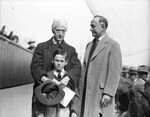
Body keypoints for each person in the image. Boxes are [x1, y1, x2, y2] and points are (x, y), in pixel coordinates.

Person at [30, 19, 81, 117]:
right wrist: (46, 80)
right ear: (53, 30)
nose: (60, 34)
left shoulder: (71, 50)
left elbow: (77, 68)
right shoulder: (41, 47)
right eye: (58, 30)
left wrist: (67, 78)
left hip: (63, 97)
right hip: (44, 93)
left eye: (63, 31)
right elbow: (35, 67)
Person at [79, 15, 122, 117]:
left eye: (93, 26)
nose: (90, 29)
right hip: (85, 92)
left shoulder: (113, 45)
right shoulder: (89, 45)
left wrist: (108, 93)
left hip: (100, 94)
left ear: (103, 26)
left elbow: (115, 72)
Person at [34, 49, 80, 117]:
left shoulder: (70, 78)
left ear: (66, 62)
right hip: (49, 110)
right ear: (52, 60)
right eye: (56, 60)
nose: (59, 63)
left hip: (64, 111)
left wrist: (74, 111)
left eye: (62, 61)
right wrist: (40, 113)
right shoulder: (46, 77)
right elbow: (39, 97)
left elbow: (75, 97)